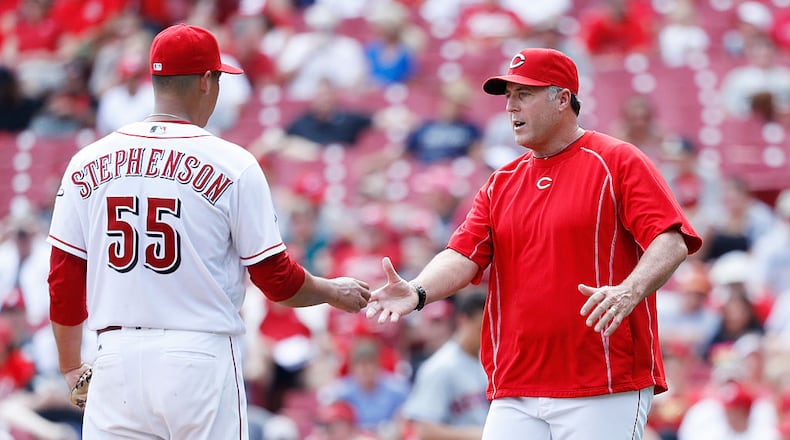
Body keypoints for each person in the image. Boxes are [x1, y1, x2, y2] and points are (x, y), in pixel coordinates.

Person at [46, 23, 370, 439]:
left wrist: (71, 365)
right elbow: (277, 281)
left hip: (116, 358)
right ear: (205, 81)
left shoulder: (86, 161)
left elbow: (64, 280)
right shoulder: (233, 163)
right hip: (199, 357)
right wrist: (330, 291)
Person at [365, 47, 702, 440]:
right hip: (517, 384)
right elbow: (463, 254)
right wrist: (418, 290)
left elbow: (671, 239)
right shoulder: (500, 182)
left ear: (563, 99)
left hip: (602, 381)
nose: (511, 106)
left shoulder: (617, 161)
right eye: (508, 96)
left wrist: (630, 290)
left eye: (524, 94)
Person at [401, 291, 489, 439]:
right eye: (481, 329)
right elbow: (425, 430)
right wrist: (481, 435)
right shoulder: (440, 367)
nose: (487, 335)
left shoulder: (489, 360)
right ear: (463, 321)